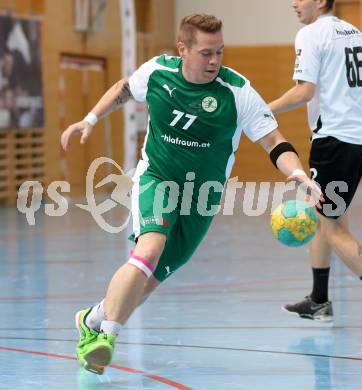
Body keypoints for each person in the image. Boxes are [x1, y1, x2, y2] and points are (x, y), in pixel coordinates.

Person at [61, 13, 322, 374]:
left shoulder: (237, 91)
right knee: (148, 249)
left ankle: (91, 319)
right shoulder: (158, 72)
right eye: (205, 53)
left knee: (149, 281)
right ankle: (106, 337)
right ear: (182, 50)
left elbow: (274, 141)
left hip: (203, 198)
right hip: (158, 179)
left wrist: (298, 174)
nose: (214, 61)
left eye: (219, 52)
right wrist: (89, 119)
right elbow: (124, 87)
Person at [269, 0, 362, 321]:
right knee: (328, 217)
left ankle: (320, 300)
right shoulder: (353, 32)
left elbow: (304, 92)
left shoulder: (311, 34)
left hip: (334, 141)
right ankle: (319, 300)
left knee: (332, 227)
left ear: (321, 0)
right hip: (356, 137)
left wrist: (262, 112)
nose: (293, 3)